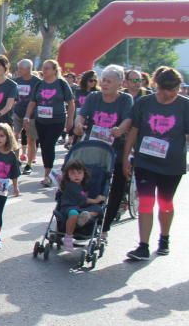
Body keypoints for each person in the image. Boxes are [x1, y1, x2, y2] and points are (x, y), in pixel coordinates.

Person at [122, 66, 189, 261]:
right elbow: (134, 130)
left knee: (165, 203)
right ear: (156, 86)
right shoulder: (144, 103)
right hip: (145, 161)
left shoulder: (185, 106)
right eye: (166, 89)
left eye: (175, 90)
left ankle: (164, 239)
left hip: (172, 165)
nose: (170, 94)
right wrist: (126, 157)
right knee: (146, 201)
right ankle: (143, 245)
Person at [73, 64, 133, 241]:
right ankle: (83, 219)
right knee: (88, 184)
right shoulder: (93, 97)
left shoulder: (125, 99)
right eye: (103, 80)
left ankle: (105, 227)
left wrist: (120, 129)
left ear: (119, 83)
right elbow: (82, 115)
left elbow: (128, 119)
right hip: (93, 148)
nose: (104, 84)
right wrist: (78, 124)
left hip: (116, 150)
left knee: (115, 188)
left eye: (109, 81)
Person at [24, 59, 75, 187]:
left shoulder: (61, 84)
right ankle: (48, 172)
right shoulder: (39, 85)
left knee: (49, 144)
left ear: (54, 70)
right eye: (43, 67)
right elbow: (32, 102)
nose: (44, 70)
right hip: (41, 120)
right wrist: (26, 116)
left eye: (47, 68)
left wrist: (70, 120)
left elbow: (71, 103)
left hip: (57, 121)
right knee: (45, 146)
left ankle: (48, 174)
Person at [54, 159, 105, 252]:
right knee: (74, 213)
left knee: (98, 210)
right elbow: (82, 199)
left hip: (81, 208)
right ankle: (68, 238)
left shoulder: (82, 185)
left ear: (83, 174)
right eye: (73, 173)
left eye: (79, 173)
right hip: (69, 206)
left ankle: (86, 216)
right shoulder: (71, 185)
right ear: (68, 175)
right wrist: (96, 200)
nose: (76, 175)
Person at [12, 59, 39, 174]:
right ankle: (16, 160)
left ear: (28, 69)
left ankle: (28, 164)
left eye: (21, 68)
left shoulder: (37, 82)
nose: (18, 71)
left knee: (31, 139)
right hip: (17, 113)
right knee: (13, 137)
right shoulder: (15, 81)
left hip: (31, 115)